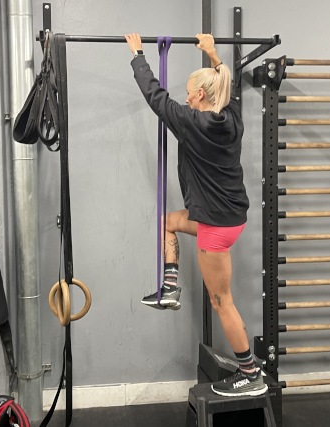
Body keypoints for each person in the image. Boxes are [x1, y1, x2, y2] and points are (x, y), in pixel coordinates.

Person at [124, 33, 266, 397]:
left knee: (222, 302)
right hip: (226, 215)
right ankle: (170, 286)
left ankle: (250, 374)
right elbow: (227, 88)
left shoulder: (193, 123)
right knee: (168, 222)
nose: (185, 96)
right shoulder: (232, 118)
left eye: (189, 92)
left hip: (215, 226)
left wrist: (139, 56)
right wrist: (214, 56)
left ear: (201, 95)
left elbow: (156, 98)